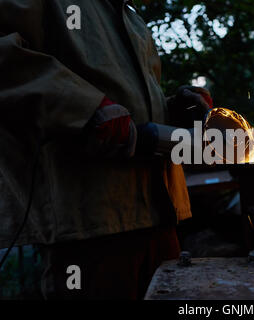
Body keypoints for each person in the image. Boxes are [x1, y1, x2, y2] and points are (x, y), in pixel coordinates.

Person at [0, 0, 212, 299]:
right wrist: (85, 107)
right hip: (89, 224)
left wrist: (173, 110)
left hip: (159, 218)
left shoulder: (128, 17)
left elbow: (128, 114)